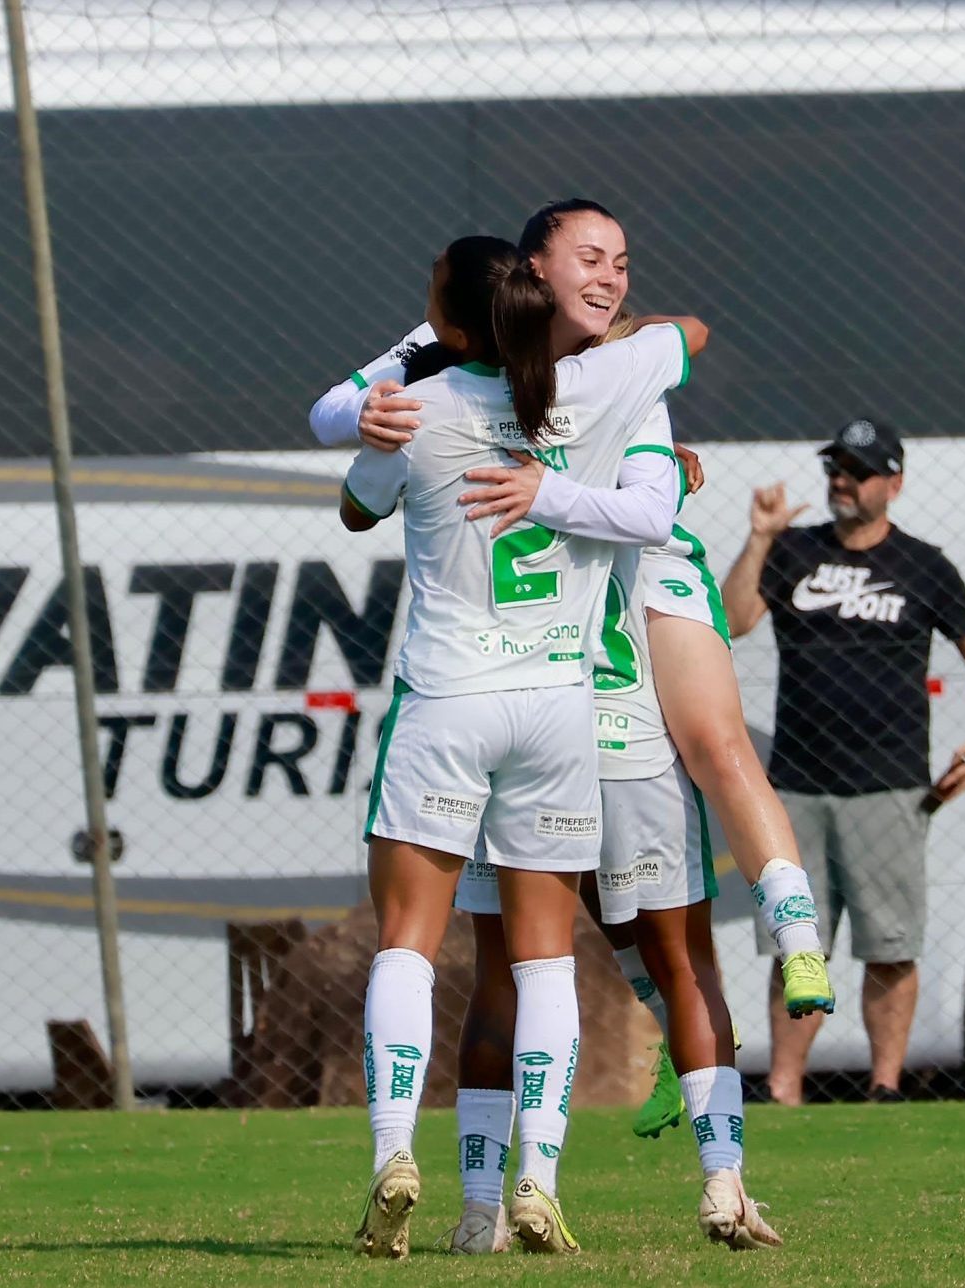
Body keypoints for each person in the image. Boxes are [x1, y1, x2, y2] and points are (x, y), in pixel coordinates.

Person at [318, 200, 797, 1254]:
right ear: (532, 289)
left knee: (416, 943)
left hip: (449, 701)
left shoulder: (423, 401)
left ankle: (400, 1152)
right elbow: (687, 346)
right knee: (549, 966)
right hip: (560, 716)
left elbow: (355, 505)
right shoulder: (600, 388)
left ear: (447, 319)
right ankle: (540, 1180)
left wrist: (383, 399)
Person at [722, 417, 965, 1104]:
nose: (841, 481)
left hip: (890, 786)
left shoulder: (924, 566)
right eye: (834, 469)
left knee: (889, 944)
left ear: (893, 483)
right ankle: (784, 1088)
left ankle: (884, 1086)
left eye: (857, 470)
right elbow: (731, 620)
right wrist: (759, 538)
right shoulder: (792, 552)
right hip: (797, 785)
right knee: (799, 949)